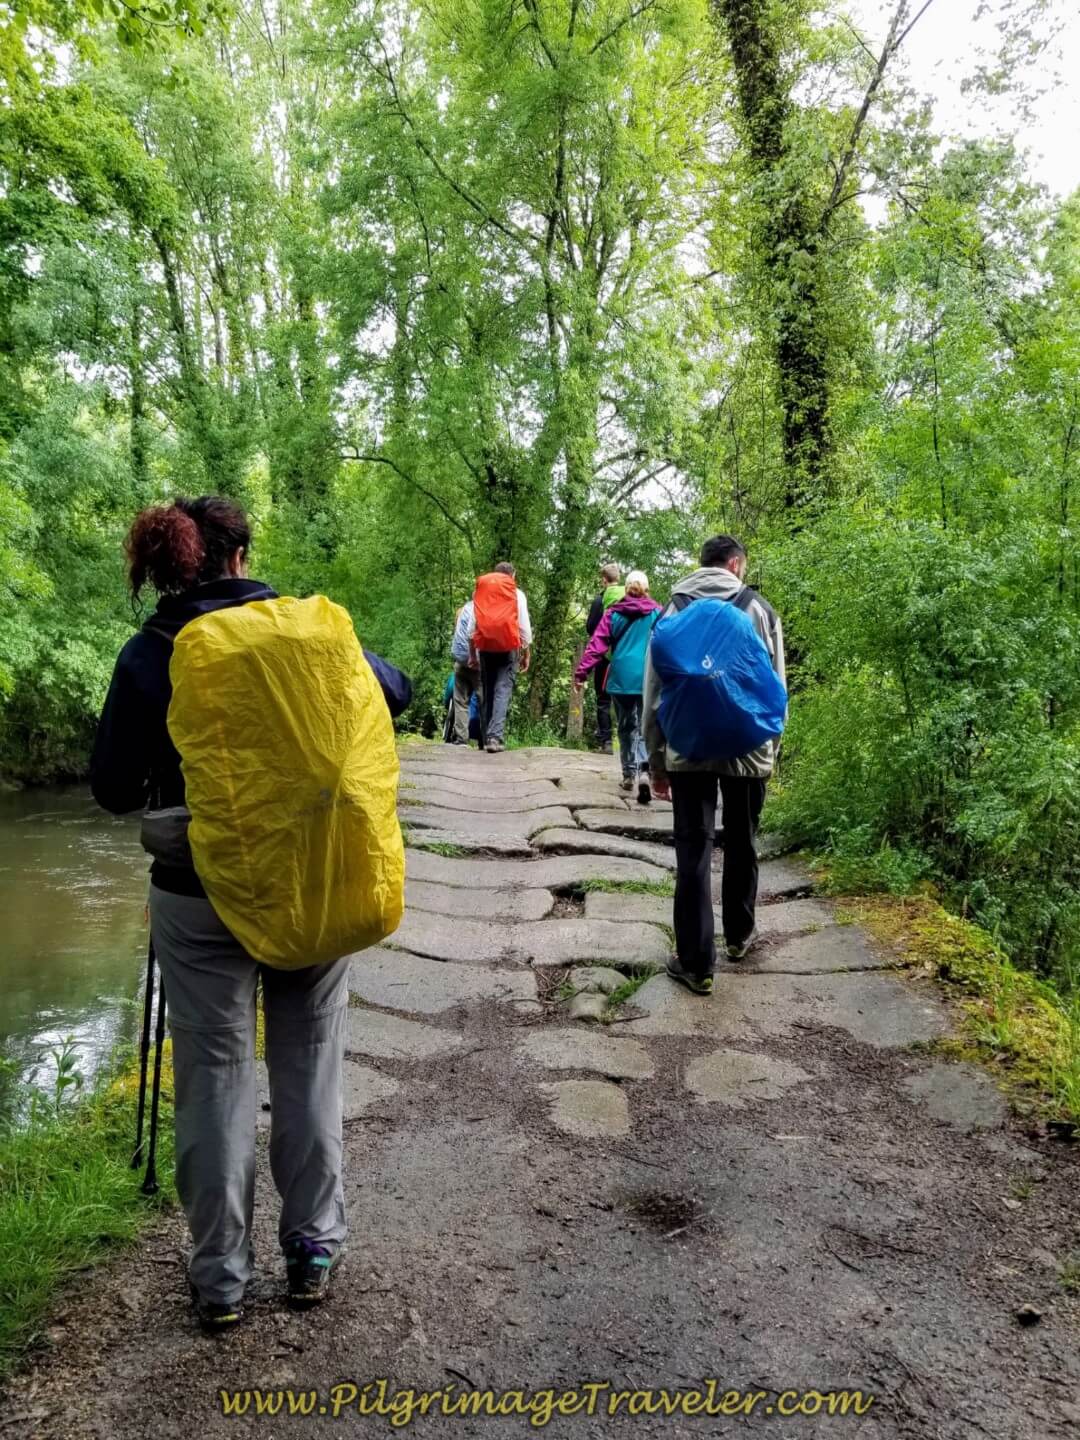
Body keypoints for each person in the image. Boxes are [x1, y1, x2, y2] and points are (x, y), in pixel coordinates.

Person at [90, 497, 412, 1334]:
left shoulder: (152, 653)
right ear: (241, 555)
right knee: (309, 1063)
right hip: (312, 880)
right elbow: (394, 690)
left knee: (214, 1075)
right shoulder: (306, 634)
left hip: (198, 894)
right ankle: (311, 1250)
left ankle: (221, 1279)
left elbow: (115, 790)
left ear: (177, 562)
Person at [643, 535, 785, 996]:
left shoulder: (673, 610)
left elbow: (654, 695)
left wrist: (657, 760)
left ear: (701, 565)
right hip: (747, 749)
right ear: (736, 564)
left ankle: (697, 963)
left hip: (688, 749)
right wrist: (771, 750)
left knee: (693, 853)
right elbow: (776, 685)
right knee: (743, 842)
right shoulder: (759, 609)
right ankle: (740, 937)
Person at [573, 570, 661, 804]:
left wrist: (581, 673)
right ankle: (644, 770)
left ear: (626, 589)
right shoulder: (657, 613)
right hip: (647, 678)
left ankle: (628, 774)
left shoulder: (613, 613)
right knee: (646, 727)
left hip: (621, 677)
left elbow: (596, 646)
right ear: (647, 589)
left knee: (625, 727)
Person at [467, 562, 532, 754]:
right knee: (502, 690)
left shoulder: (481, 592)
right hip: (509, 648)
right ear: (513, 575)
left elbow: (472, 628)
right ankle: (495, 738)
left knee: (487, 690)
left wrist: (472, 655)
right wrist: (526, 654)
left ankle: (486, 737)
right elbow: (524, 628)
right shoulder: (517, 594)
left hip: (486, 648)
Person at [584, 563, 625, 754]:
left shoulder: (600, 601)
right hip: (626, 655)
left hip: (605, 656)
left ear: (604, 579)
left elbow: (591, 627)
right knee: (627, 699)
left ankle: (606, 742)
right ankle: (629, 744)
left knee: (603, 699)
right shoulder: (631, 598)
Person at [449, 598, 482, 746]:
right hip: (479, 666)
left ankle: (461, 738)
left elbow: (457, 633)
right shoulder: (485, 611)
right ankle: (486, 739)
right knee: (484, 702)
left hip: (461, 663)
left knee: (460, 701)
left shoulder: (462, 611)